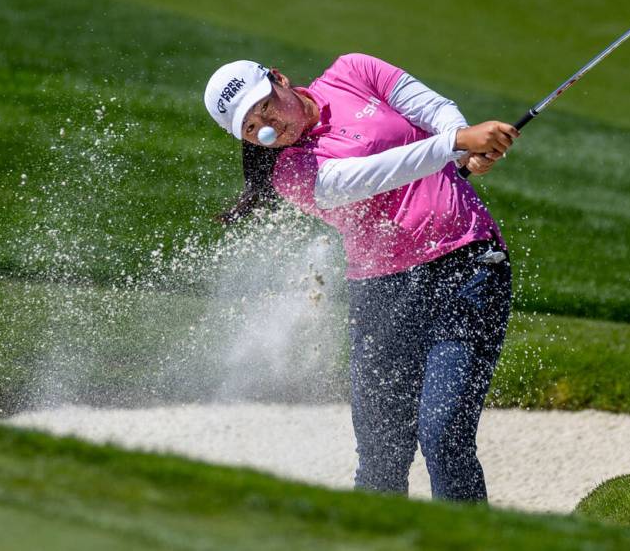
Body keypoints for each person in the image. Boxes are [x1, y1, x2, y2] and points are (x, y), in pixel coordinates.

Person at [203, 54, 518, 502]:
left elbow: (433, 109)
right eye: (252, 129)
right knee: (381, 456)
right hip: (381, 295)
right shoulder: (291, 173)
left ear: (279, 79)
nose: (268, 128)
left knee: (443, 435)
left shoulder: (352, 71)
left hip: (466, 267)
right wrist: (454, 144)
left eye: (266, 107)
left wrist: (465, 145)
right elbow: (372, 175)